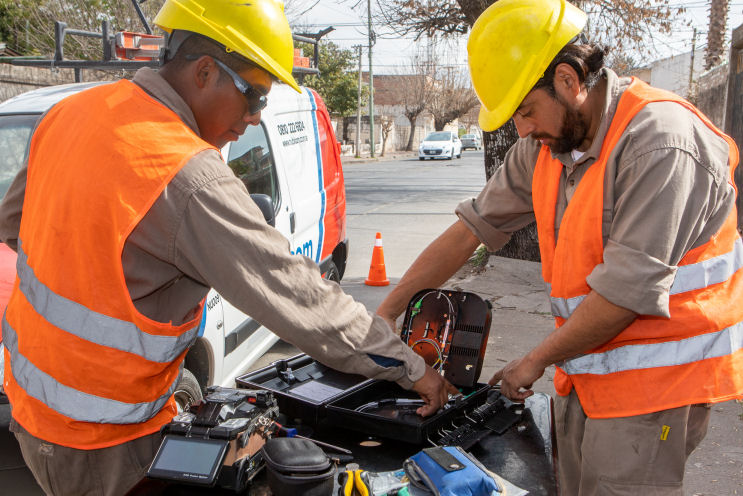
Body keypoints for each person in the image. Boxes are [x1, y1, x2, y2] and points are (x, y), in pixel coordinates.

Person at [0, 1, 453, 494]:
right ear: (204, 71)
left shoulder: (71, 113)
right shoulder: (188, 175)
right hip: (106, 442)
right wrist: (413, 369)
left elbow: (13, 226)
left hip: (31, 413)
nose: (257, 117)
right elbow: (298, 295)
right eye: (255, 95)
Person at [377, 0, 743, 493]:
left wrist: (534, 359)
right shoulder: (545, 148)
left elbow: (624, 293)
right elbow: (470, 230)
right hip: (584, 373)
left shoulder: (661, 145)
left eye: (526, 110)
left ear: (569, 81)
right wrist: (387, 312)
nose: (522, 130)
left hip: (656, 388)